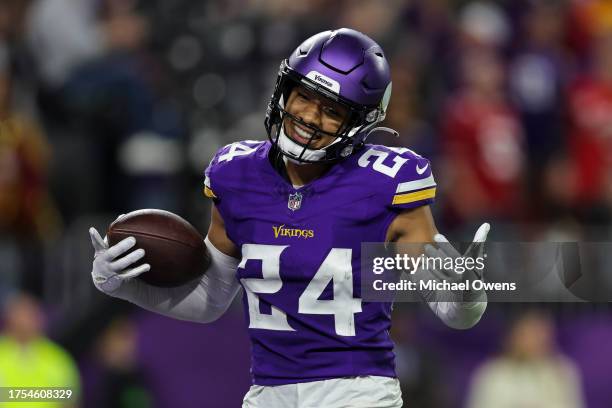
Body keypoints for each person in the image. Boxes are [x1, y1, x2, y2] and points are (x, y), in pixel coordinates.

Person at [89, 28, 489, 407]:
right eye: (304, 96)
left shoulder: (386, 182)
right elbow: (211, 299)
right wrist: (125, 287)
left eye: (332, 110)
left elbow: (453, 310)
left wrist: (469, 293)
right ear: (284, 89)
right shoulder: (236, 173)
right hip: (267, 392)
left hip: (356, 394)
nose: (310, 117)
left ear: (359, 123)